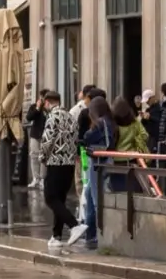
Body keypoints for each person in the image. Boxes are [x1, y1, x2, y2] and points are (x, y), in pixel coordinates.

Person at [34, 90, 79, 251]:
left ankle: (74, 225)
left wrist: (42, 158)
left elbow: (47, 140)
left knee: (50, 198)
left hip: (55, 163)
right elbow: (75, 139)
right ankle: (56, 235)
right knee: (59, 199)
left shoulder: (52, 117)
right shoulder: (70, 116)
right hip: (69, 164)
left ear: (47, 103)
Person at [76, 96, 116, 251]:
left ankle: (100, 235)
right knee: (88, 195)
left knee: (95, 197)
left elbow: (86, 137)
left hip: (97, 163)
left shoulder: (100, 123)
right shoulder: (111, 121)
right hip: (107, 161)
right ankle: (90, 233)